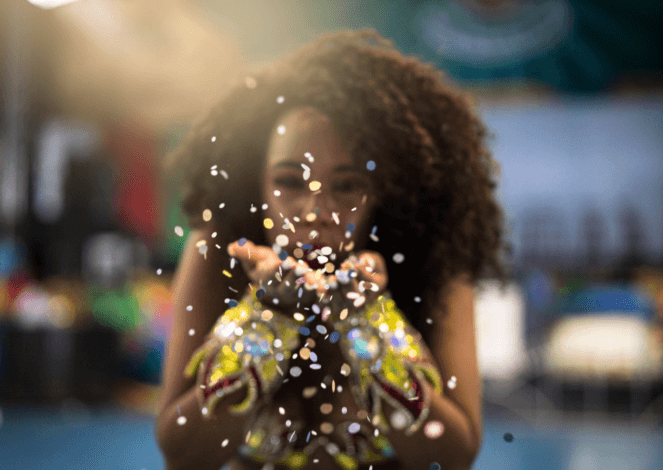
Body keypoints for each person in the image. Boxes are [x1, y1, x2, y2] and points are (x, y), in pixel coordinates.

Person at [156, 30, 507, 470]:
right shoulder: (218, 251)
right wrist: (269, 318)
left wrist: (367, 322)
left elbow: (451, 458)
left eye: (347, 186)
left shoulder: (435, 256)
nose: (317, 210)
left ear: (387, 191)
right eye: (289, 182)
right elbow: (183, 455)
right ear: (254, 183)